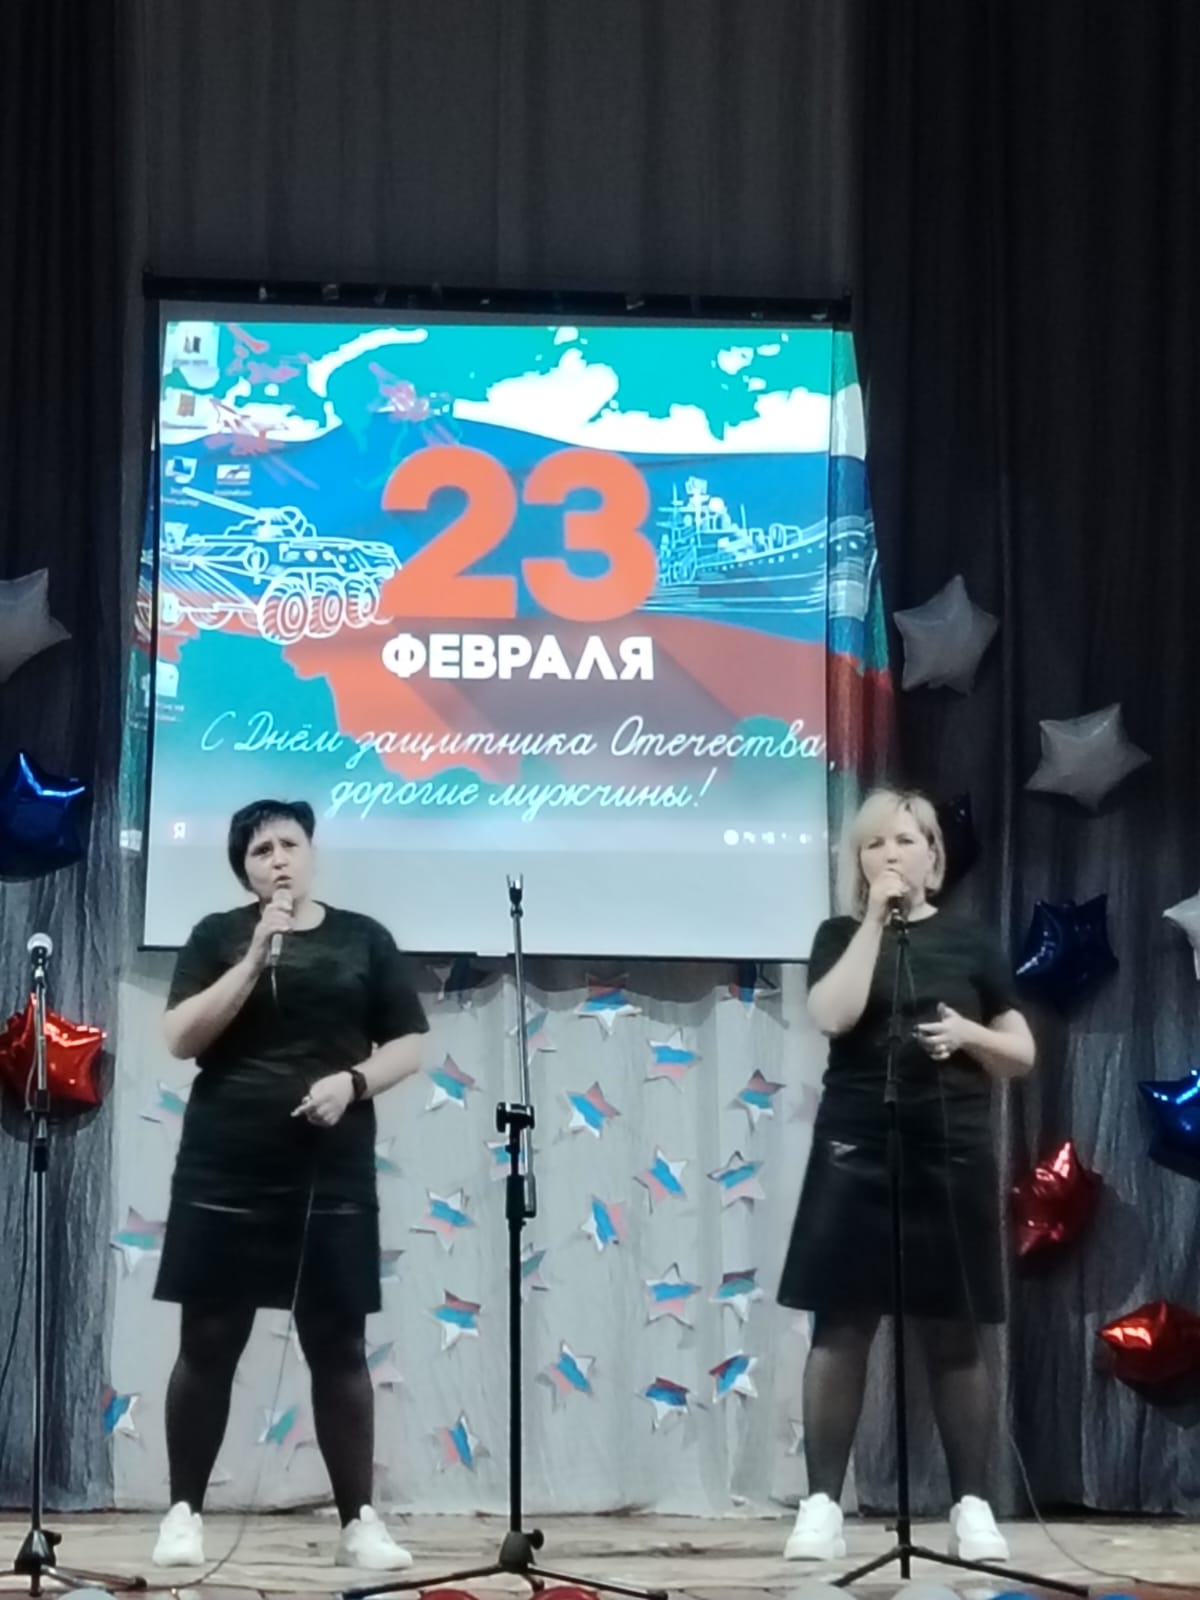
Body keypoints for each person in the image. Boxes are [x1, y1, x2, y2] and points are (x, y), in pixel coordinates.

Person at [151, 799, 429, 1571]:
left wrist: (352, 1082)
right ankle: (183, 1514)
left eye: (289, 844)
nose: (277, 859)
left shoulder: (363, 938)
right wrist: (252, 959)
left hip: (330, 1165)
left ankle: (358, 1523)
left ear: (310, 853)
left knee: (338, 1342)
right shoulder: (216, 936)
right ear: (245, 870)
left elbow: (409, 1044)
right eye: (261, 850)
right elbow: (179, 1038)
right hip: (225, 1162)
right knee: (209, 1339)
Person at [778, 787, 1035, 1563]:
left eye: (904, 841)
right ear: (859, 862)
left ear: (934, 856)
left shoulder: (971, 941)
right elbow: (832, 1014)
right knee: (841, 1324)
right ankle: (821, 1508)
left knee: (953, 1330)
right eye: (874, 844)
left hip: (950, 1147)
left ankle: (972, 1507)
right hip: (855, 1145)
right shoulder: (837, 935)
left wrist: (967, 1035)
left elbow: (1021, 1052)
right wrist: (872, 924)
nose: (889, 855)